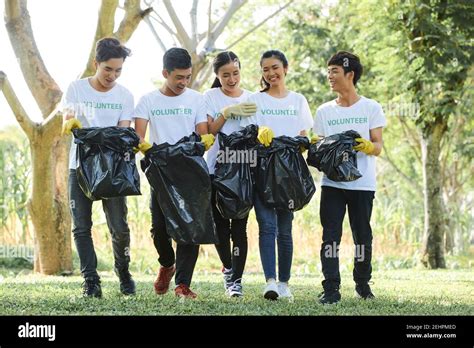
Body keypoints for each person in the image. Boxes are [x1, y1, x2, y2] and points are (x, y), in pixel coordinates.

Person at [134, 47, 215, 299]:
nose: (183, 82)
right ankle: (167, 264)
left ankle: (182, 284)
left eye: (187, 77)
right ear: (165, 73)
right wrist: (144, 146)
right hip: (161, 174)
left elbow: (202, 134)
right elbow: (138, 136)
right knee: (159, 228)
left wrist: (205, 141)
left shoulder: (197, 99)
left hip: (190, 172)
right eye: (178, 77)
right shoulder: (148, 100)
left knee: (190, 228)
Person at [62, 37, 136, 298]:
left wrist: (102, 136)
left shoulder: (125, 95)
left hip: (113, 169)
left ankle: (123, 271)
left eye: (118, 71)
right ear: (96, 63)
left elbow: (123, 131)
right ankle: (91, 281)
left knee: (120, 227)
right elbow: (68, 118)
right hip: (80, 167)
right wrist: (70, 124)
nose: (112, 76)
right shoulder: (76, 88)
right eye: (108, 69)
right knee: (81, 226)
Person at [313, 51, 386, 304]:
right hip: (332, 184)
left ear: (350, 74)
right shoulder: (324, 111)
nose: (330, 76)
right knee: (330, 237)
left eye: (334, 71)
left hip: (362, 184)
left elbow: (378, 146)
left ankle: (363, 284)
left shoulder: (371, 107)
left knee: (362, 236)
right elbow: (319, 145)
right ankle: (331, 288)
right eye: (328, 71)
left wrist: (365, 145)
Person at [241, 50, 313, 300]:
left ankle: (284, 283)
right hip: (262, 170)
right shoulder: (255, 100)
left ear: (285, 68)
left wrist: (302, 143)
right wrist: (258, 131)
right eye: (265, 69)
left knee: (285, 230)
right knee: (266, 227)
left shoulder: (298, 100)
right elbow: (248, 132)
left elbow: (304, 135)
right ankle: (270, 282)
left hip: (289, 174)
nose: (271, 73)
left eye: (275, 68)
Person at [204, 51, 257, 297]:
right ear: (217, 75)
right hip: (216, 169)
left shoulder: (252, 98)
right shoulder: (210, 97)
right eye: (226, 75)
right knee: (219, 227)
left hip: (244, 172)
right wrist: (225, 113)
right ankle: (228, 269)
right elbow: (209, 133)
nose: (232, 78)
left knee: (240, 228)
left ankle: (235, 280)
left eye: (235, 73)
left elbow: (258, 131)